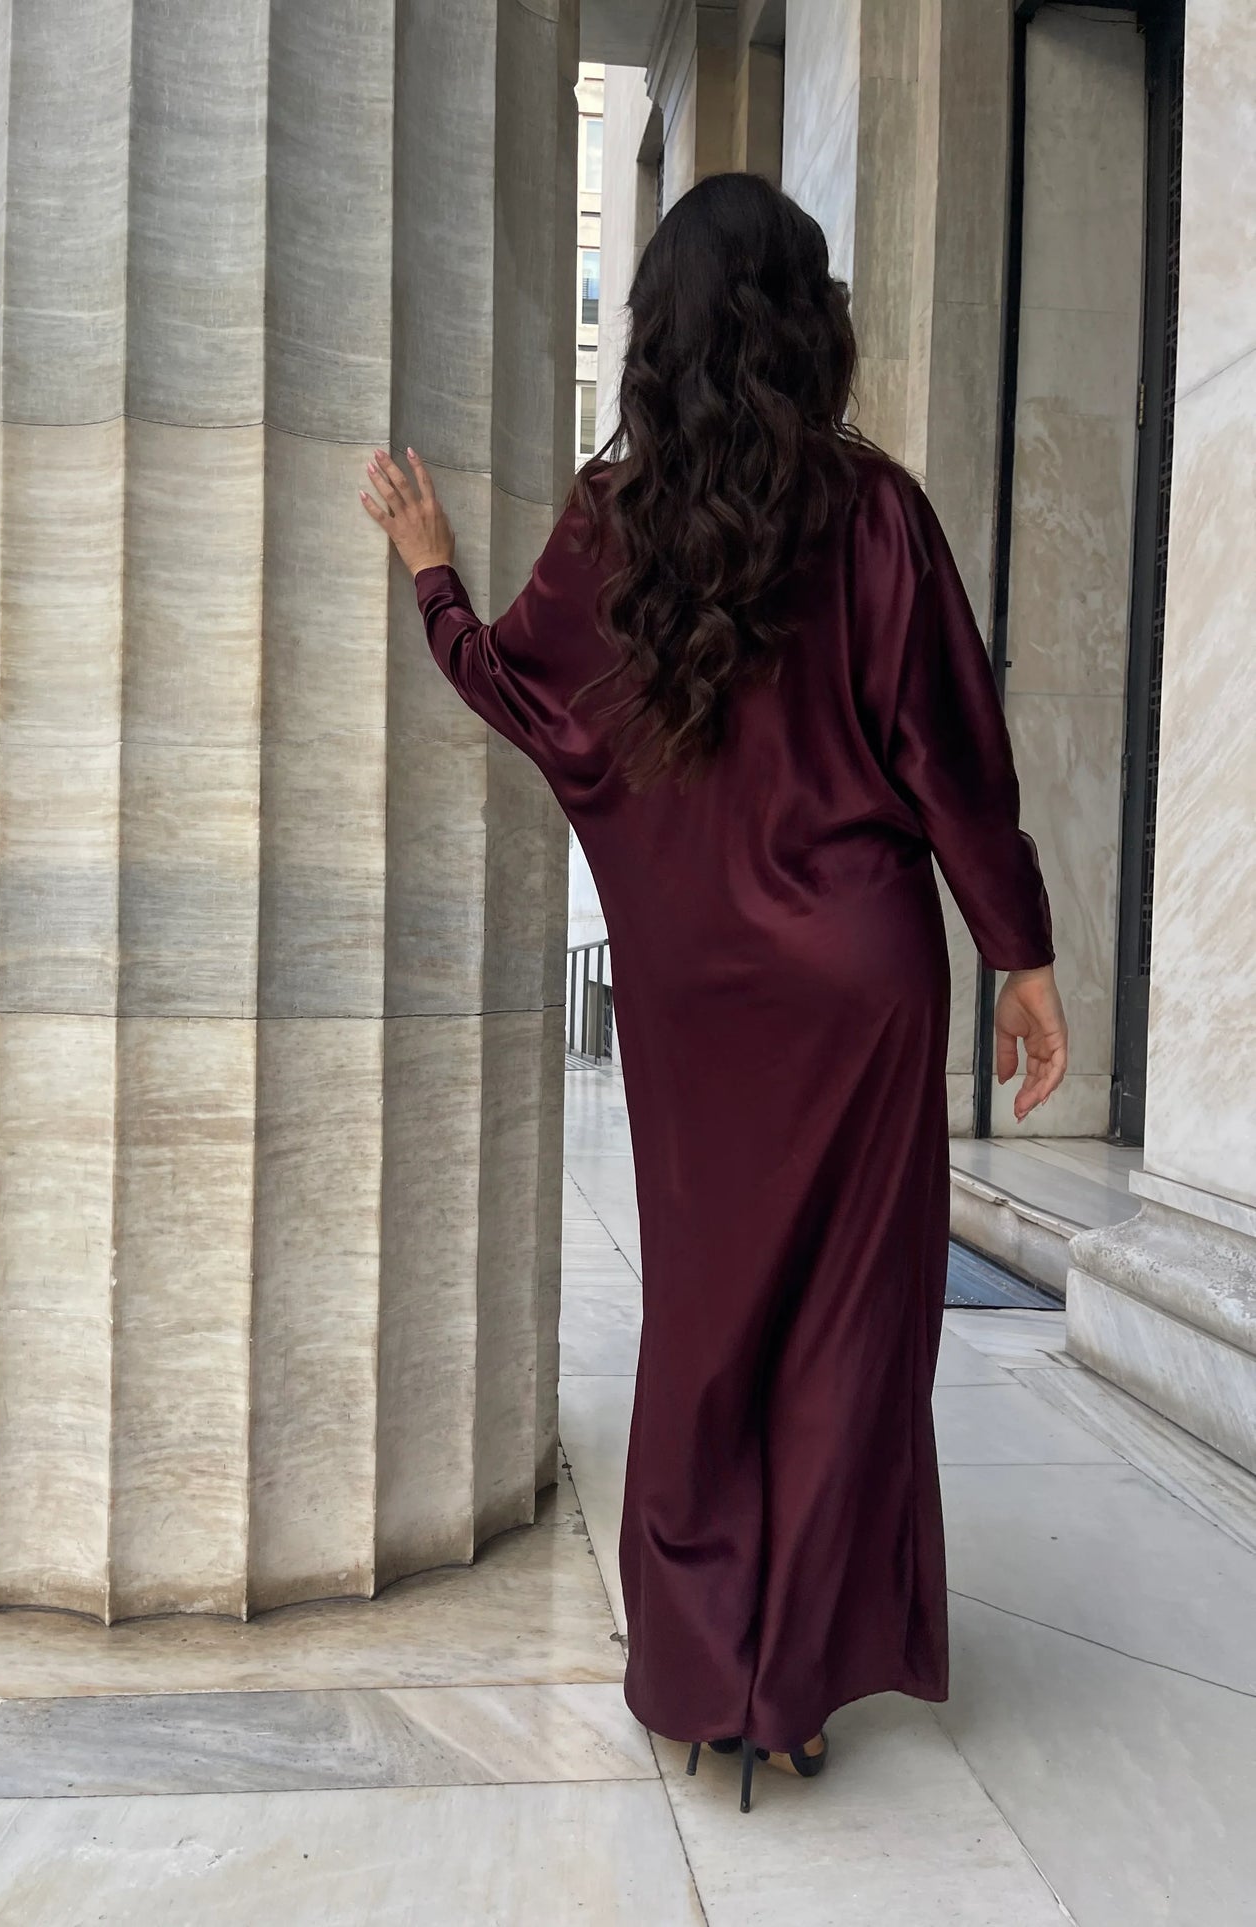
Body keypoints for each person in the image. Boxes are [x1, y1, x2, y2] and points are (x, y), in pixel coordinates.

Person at [358, 172, 1067, 1811]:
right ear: (810, 323)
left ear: (657, 336)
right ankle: (796, 1688)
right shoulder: (876, 511)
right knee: (846, 1338)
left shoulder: (607, 531)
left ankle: (698, 1672)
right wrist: (1018, 952)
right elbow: (956, 755)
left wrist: (433, 577)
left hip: (700, 1006)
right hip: (868, 980)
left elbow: (538, 707)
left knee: (706, 1325)